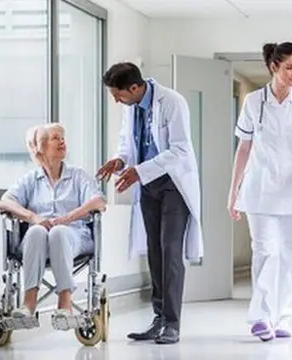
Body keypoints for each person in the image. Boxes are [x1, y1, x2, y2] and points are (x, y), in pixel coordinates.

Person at [96, 62, 202, 345]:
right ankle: (159, 318)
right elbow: (127, 141)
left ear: (134, 87)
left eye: (118, 94)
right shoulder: (130, 107)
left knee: (170, 252)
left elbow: (179, 149)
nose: (116, 100)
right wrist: (119, 160)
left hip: (173, 185)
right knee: (154, 252)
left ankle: (173, 323)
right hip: (148, 185)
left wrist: (139, 171)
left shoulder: (172, 102)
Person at [227, 42, 292, 341]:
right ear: (273, 67)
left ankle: (283, 317)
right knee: (266, 251)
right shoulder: (254, 102)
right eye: (289, 67)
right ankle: (261, 317)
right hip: (260, 188)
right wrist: (233, 191)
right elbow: (243, 149)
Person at [0, 123, 107, 330]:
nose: (62, 141)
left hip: (74, 237)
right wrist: (33, 217)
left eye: (63, 137)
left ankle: (65, 304)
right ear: (39, 147)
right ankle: (28, 303)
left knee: (57, 232)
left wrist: (66, 218)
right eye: (55, 137)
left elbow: (99, 202)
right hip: (36, 242)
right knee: (38, 231)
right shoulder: (30, 180)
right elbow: (5, 202)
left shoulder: (78, 176)